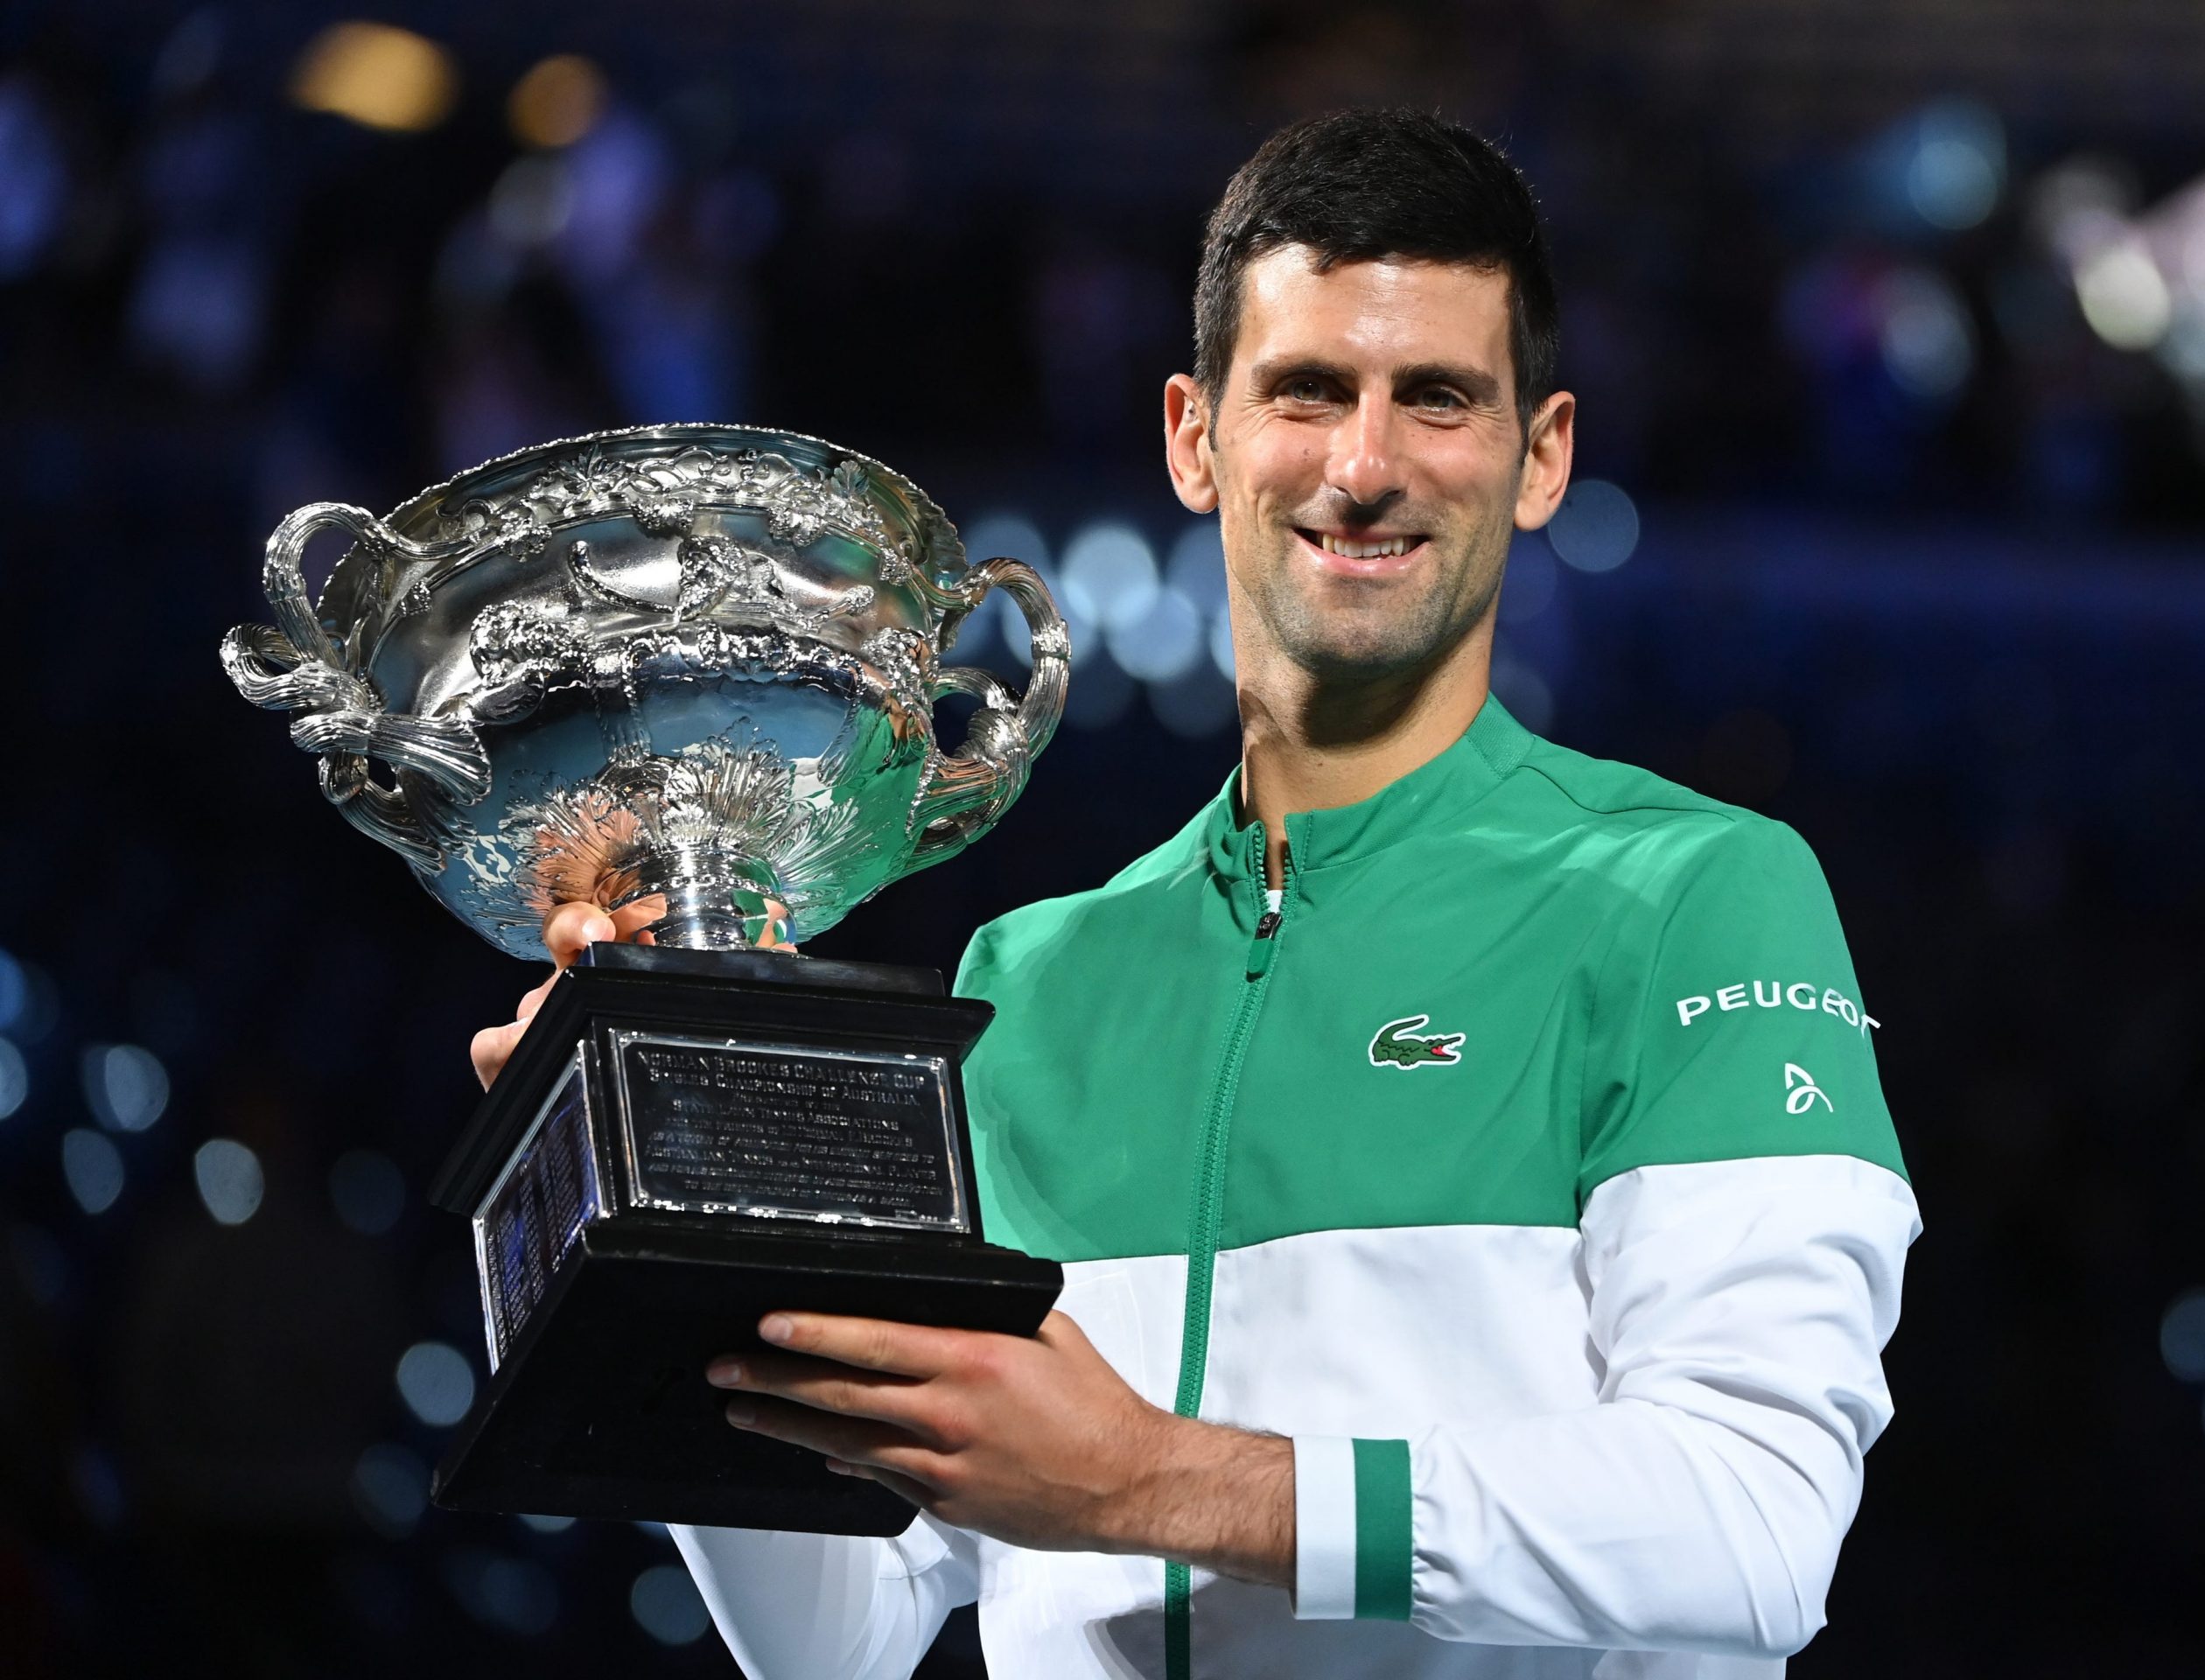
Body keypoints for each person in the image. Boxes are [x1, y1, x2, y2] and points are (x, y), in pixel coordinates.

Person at [472, 108, 1920, 1680]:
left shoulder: (1694, 896)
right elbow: (845, 1640)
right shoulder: (1028, 980)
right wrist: (673, 1152)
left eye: (1436, 399)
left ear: (1540, 458)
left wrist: (1151, 1477)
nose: (1364, 468)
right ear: (1194, 435)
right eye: (1306, 392)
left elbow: (1756, 1524)